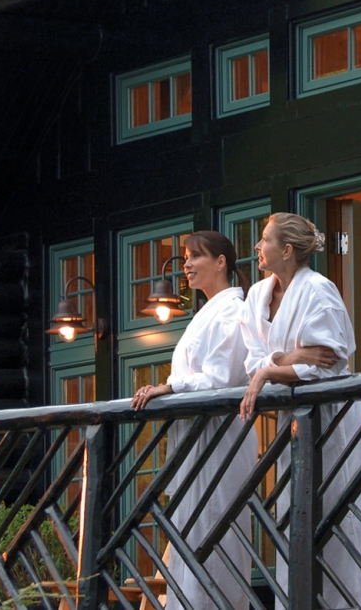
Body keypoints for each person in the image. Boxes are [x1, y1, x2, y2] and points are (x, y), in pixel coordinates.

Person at [239, 213, 361, 609]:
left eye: (265, 240)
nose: (259, 247)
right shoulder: (258, 295)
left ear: (288, 250)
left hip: (331, 420)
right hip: (293, 426)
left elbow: (326, 357)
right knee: (298, 517)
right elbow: (254, 360)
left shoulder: (318, 290)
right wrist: (277, 363)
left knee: (341, 512)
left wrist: (270, 368)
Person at [131, 231, 257, 610]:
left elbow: (222, 378)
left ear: (221, 262)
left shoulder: (234, 310)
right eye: (185, 257)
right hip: (195, 438)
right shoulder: (207, 313)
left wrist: (170, 388)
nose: (185, 264)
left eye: (194, 256)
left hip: (218, 439)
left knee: (215, 529)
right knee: (190, 528)